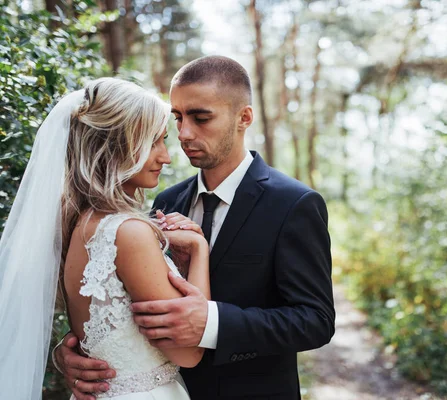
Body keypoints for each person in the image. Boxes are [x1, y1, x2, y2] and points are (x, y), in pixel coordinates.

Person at [55, 56, 336, 400]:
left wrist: (212, 324)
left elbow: (315, 320)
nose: (184, 134)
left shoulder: (293, 203)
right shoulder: (164, 202)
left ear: (243, 118)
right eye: (178, 118)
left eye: (201, 117)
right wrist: (78, 350)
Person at [0, 77, 210, 400]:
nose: (165, 157)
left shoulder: (76, 224)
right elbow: (190, 351)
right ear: (116, 144)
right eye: (153, 142)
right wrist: (199, 249)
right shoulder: (129, 232)